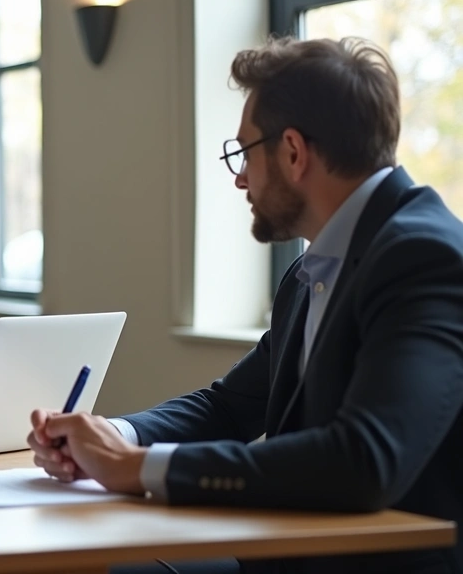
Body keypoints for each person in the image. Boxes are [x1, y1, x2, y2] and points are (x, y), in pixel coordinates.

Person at [29, 37, 463, 574]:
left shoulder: (423, 257)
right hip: (285, 555)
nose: (239, 178)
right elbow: (230, 407)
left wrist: (136, 468)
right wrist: (112, 436)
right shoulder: (312, 271)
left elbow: (365, 461)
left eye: (243, 152)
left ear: (294, 153)